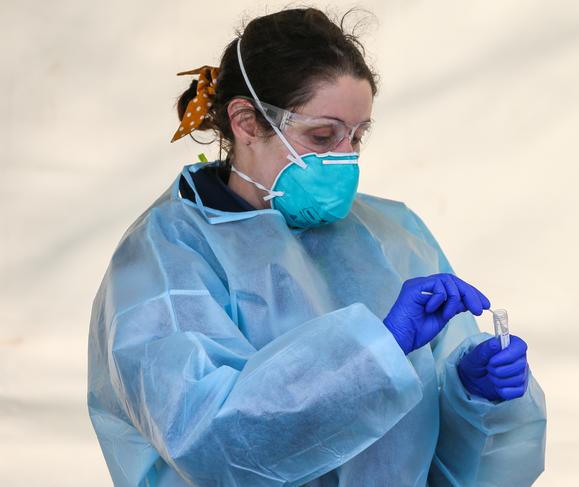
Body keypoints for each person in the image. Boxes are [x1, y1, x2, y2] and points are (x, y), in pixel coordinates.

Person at [87, 7, 546, 487]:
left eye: (357, 136)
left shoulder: (394, 234)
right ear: (245, 122)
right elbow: (212, 446)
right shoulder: (166, 259)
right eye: (323, 136)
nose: (345, 158)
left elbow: (440, 451)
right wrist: (377, 350)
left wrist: (471, 394)